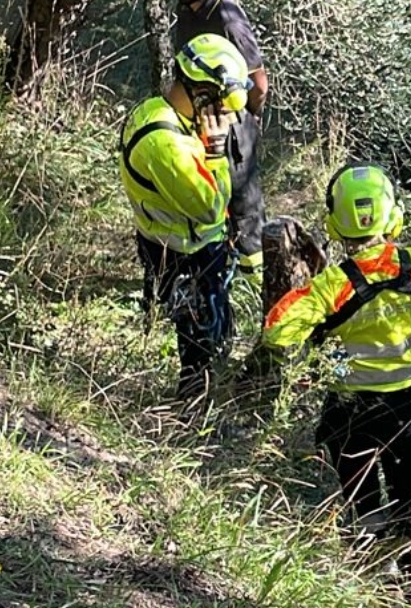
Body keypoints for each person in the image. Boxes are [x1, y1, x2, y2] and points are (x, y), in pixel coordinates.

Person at [263, 164, 411, 584]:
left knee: (361, 495)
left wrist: (321, 361)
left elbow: (278, 332)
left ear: (335, 223)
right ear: (394, 215)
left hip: (352, 408)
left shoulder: (331, 285)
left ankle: (371, 573)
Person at [119, 34, 250, 401]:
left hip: (175, 241)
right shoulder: (166, 144)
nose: (226, 116)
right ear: (204, 94)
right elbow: (209, 206)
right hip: (185, 252)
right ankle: (193, 406)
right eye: (223, 105)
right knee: (199, 339)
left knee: (206, 325)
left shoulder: (161, 111)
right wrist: (216, 153)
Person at [174, 0, 268, 287]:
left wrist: (246, 118)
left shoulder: (228, 17)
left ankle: (258, 287)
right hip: (199, 123)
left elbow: (258, 82)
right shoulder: (185, 12)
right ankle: (218, 273)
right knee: (209, 196)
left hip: (234, 125)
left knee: (244, 205)